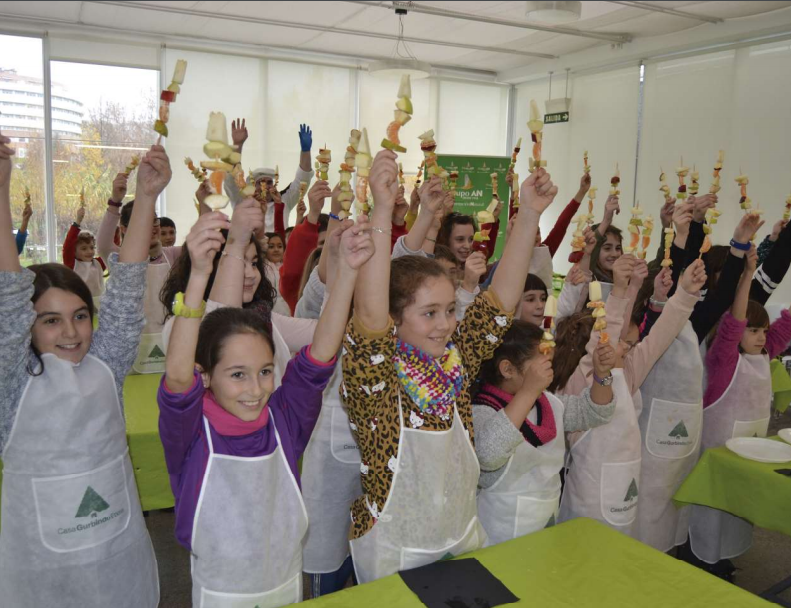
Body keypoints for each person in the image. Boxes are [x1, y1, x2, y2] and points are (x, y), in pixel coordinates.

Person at [342, 149, 558, 583]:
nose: (445, 325)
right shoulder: (377, 378)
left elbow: (500, 301)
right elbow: (368, 319)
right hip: (394, 555)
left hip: (460, 540)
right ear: (394, 319)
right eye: (429, 313)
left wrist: (530, 214)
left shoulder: (454, 365)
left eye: (449, 310)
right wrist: (383, 210)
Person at [158, 208, 370, 607]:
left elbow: (320, 354)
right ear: (206, 376)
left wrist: (349, 274)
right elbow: (178, 380)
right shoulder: (190, 431)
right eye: (237, 374)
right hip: (221, 592)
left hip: (286, 584)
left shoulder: (284, 420)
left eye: (266, 371)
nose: (256, 390)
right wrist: (200, 275)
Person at [0, 133, 167, 607]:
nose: (71, 332)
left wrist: (148, 197)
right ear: (27, 327)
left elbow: (127, 293)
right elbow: (7, 302)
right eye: (49, 321)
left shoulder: (105, 368)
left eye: (79, 316)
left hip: (118, 557)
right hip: (42, 571)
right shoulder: (10, 386)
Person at [556, 257, 706, 538]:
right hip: (586, 504)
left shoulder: (629, 371)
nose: (629, 346)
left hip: (625, 495)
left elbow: (660, 336)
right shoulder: (579, 383)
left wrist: (685, 293)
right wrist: (619, 292)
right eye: (624, 342)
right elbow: (604, 340)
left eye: (631, 342)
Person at [688, 243, 791, 575]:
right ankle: (701, 561)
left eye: (763, 331)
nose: (761, 337)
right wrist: (746, 276)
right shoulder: (723, 361)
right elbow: (733, 324)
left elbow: (785, 328)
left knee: (737, 511)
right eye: (753, 330)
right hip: (717, 457)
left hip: (749, 453)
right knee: (712, 514)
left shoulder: (763, 355)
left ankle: (723, 557)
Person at [474, 320, 616, 545]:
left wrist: (602, 375)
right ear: (508, 369)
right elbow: (487, 456)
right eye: (541, 356)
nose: (548, 361)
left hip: (544, 528)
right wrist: (529, 391)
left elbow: (596, 412)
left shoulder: (549, 403)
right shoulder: (482, 410)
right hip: (497, 538)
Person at [96, 171, 181, 373]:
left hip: (169, 345)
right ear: (125, 229)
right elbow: (104, 242)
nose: (151, 227)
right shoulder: (119, 258)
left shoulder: (174, 255)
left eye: (154, 220)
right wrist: (115, 201)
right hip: (130, 350)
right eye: (142, 222)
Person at [223, 119, 315, 233]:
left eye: (269, 182)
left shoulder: (284, 201)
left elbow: (303, 181)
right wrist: (237, 145)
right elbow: (231, 181)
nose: (265, 186)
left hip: (281, 249)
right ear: (252, 187)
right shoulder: (242, 201)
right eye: (260, 183)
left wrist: (305, 151)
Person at [63, 205, 106, 300]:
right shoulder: (72, 264)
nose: (89, 251)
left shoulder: (99, 263)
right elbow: (68, 246)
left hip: (98, 305)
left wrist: (115, 227)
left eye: (92, 247)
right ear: (74, 252)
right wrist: (77, 222)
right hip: (78, 303)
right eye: (84, 248)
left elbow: (109, 250)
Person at [264, 231, 290, 316]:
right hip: (267, 315)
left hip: (288, 315)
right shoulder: (261, 267)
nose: (276, 250)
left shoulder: (288, 267)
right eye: (271, 246)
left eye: (280, 246)